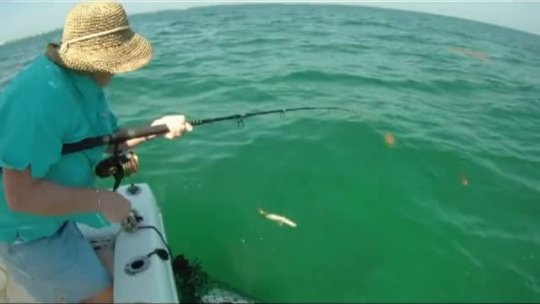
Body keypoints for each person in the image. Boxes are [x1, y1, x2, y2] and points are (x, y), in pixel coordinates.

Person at [0, 1, 192, 303]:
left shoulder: (84, 82)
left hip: (57, 218)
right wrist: (103, 200)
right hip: (26, 232)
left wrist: (158, 127)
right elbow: (20, 195)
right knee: (106, 297)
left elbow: (103, 141)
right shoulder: (38, 100)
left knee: (106, 278)